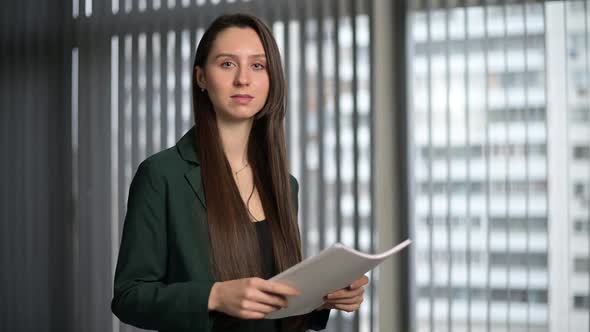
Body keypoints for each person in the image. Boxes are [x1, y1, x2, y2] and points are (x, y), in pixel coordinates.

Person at [111, 13, 369, 332]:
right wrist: (214, 296)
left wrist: (324, 298)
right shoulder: (162, 174)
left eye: (257, 65)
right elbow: (129, 296)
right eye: (227, 64)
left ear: (272, 78)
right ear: (201, 78)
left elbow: (276, 303)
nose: (243, 79)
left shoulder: (285, 185)